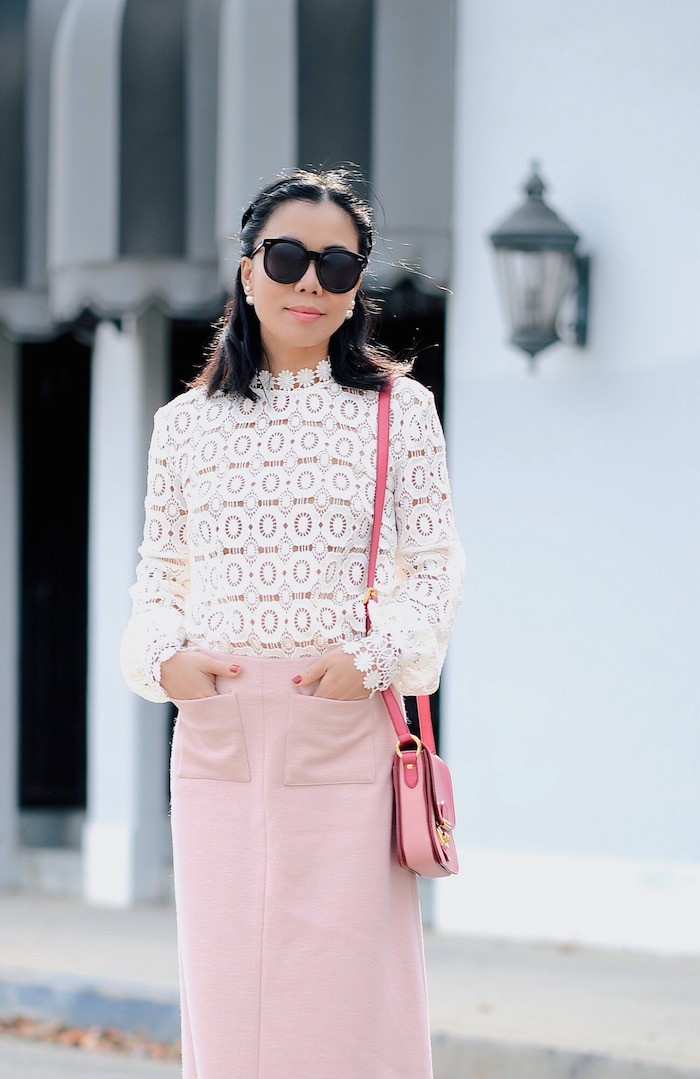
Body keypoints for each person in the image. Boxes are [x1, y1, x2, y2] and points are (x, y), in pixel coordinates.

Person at [120, 167, 465, 1079]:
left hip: (341, 720)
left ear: (357, 287)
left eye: (338, 266)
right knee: (231, 999)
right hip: (219, 731)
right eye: (287, 257)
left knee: (350, 999)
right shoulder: (182, 424)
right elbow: (157, 576)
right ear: (246, 272)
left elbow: (435, 568)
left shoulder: (401, 409)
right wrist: (165, 659)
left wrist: (376, 654)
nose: (311, 282)